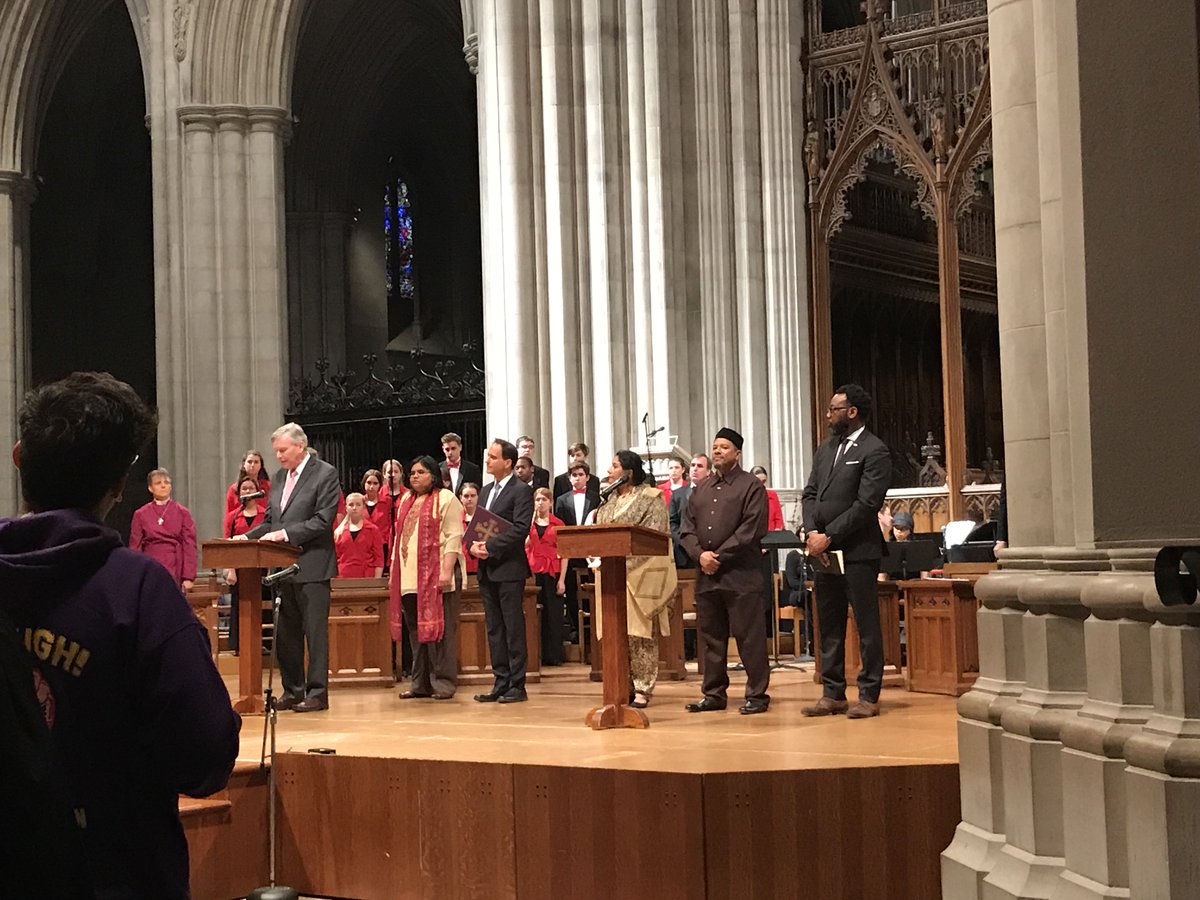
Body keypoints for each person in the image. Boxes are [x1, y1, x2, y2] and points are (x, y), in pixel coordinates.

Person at [0, 371, 240, 899]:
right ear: (119, 483)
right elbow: (206, 757)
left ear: (19, 456)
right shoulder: (135, 590)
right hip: (113, 873)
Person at [800, 383, 892, 720]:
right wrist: (812, 532)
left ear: (851, 412)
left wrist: (830, 535)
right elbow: (810, 493)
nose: (827, 415)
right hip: (823, 551)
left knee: (866, 626)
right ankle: (833, 692)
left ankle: (868, 695)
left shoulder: (874, 450)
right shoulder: (827, 449)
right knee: (829, 624)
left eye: (833, 409)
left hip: (857, 551)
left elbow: (867, 504)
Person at [242, 422, 341, 713]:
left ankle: (317, 694)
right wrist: (245, 537)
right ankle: (293, 690)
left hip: (312, 566)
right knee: (286, 634)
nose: (279, 457)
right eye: (276, 452)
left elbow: (324, 520)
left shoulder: (325, 473)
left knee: (315, 633)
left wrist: (285, 535)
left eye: (283, 450)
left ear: (300, 446)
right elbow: (271, 521)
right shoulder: (278, 477)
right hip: (281, 568)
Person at [679, 428, 771, 715]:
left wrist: (717, 556)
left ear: (738, 453)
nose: (718, 451)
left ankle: (756, 695)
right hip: (707, 575)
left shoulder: (751, 486)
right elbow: (686, 529)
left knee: (749, 638)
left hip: (741, 575)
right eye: (715, 447)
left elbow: (751, 530)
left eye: (725, 447)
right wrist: (700, 555)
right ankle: (714, 693)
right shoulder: (701, 488)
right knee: (712, 639)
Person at [594, 450, 677, 708]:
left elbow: (654, 537)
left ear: (628, 472)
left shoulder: (651, 498)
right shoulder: (607, 502)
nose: (609, 470)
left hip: (640, 576)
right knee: (615, 633)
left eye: (615, 465)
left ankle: (643, 687)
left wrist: (623, 563)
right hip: (612, 577)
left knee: (640, 636)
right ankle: (621, 684)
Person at [391, 456, 465, 700]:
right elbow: (399, 539)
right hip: (410, 578)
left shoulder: (446, 498)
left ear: (433, 475)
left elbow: (454, 536)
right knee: (416, 632)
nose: (414, 476)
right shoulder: (405, 501)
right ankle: (419, 683)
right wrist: (394, 573)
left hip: (438, 576)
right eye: (412, 472)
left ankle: (443, 683)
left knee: (441, 631)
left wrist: (445, 571)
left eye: (421, 472)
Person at [469, 439, 534, 704]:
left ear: (507, 462)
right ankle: (500, 681)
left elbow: (520, 529)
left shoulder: (521, 491)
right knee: (494, 628)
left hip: (509, 568)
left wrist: (490, 546)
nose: (487, 461)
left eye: (493, 457)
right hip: (487, 568)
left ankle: (517, 685)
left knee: (513, 628)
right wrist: (474, 545)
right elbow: (480, 524)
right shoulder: (485, 491)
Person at [130, 467, 198, 591]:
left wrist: (188, 577)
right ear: (150, 488)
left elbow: (189, 544)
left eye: (166, 483)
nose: (163, 486)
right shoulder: (140, 514)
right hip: (150, 565)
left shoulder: (183, 513)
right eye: (158, 483)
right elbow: (135, 546)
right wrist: (136, 575)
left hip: (175, 564)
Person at [223, 475, 269, 652]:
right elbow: (228, 544)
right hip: (240, 570)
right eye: (244, 489)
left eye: (251, 488)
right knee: (239, 605)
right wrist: (231, 570)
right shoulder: (233, 517)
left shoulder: (265, 514)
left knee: (263, 605)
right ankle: (239, 645)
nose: (248, 491)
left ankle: (264, 644)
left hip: (262, 569)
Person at [554, 460, 597, 637]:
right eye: (574, 475)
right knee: (571, 592)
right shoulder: (562, 500)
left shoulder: (596, 497)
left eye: (581, 475)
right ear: (569, 478)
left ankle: (593, 631)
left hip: (591, 553)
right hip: (570, 554)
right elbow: (560, 527)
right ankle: (576, 631)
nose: (577, 478)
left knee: (592, 590)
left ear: (587, 477)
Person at [526, 487, 567, 666]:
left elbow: (565, 553)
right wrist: (529, 523)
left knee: (553, 614)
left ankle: (554, 655)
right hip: (533, 572)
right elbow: (524, 545)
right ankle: (537, 655)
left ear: (550, 502)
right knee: (534, 614)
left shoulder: (558, 524)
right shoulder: (529, 523)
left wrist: (562, 580)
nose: (540, 503)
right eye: (537, 499)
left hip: (553, 572)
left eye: (544, 499)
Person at [669, 453, 710, 568]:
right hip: (683, 554)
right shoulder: (678, 494)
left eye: (700, 466)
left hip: (707, 551)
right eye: (692, 465)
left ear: (708, 472)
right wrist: (683, 541)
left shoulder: (715, 494)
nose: (695, 469)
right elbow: (672, 522)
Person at [334, 493, 384, 578]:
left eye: (358, 505)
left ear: (363, 507)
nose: (354, 508)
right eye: (351, 505)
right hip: (343, 578)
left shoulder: (373, 530)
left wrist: (376, 582)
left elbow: (379, 559)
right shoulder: (338, 532)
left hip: (366, 578)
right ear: (346, 508)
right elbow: (335, 559)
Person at [362, 468, 393, 565]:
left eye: (375, 483)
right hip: (363, 544)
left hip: (382, 545)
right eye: (369, 482)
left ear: (380, 485)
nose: (371, 486)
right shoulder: (359, 501)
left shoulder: (388, 501)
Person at [751, 465, 786, 531]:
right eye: (758, 481)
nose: (761, 484)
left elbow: (779, 518)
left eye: (763, 481)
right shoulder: (748, 496)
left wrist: (778, 529)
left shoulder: (772, 495)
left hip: (771, 534)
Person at [460, 482, 480, 578]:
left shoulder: (484, 517)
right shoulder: (455, 518)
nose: (469, 499)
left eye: (473, 496)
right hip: (462, 566)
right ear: (460, 497)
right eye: (466, 496)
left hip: (480, 565)